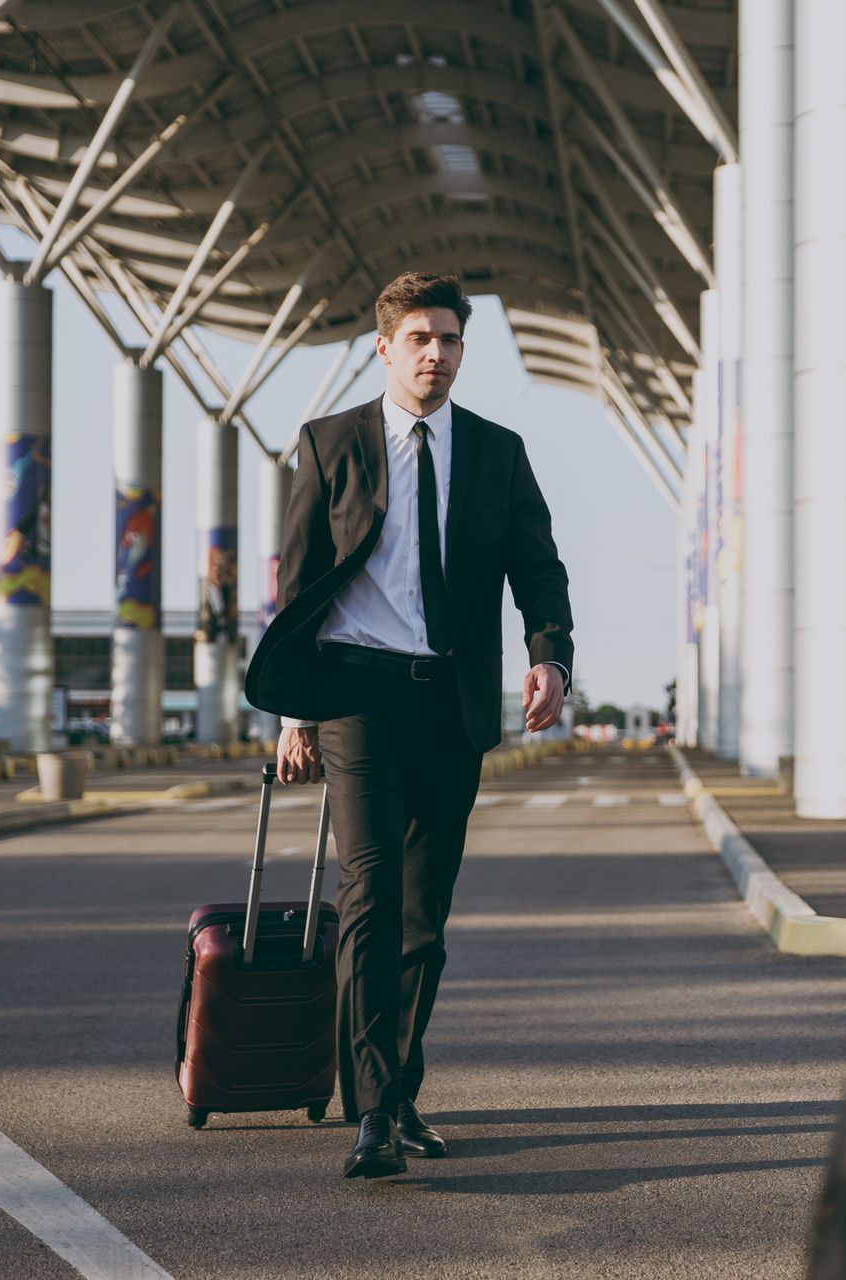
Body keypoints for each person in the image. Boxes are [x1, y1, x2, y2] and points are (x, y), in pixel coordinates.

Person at [245, 271, 573, 1179]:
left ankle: (401, 1095)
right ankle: (375, 1113)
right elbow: (300, 582)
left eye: (450, 339)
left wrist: (549, 655)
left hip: (452, 698)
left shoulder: (498, 454)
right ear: (385, 348)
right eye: (419, 338)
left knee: (424, 918)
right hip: (356, 696)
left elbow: (539, 568)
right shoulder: (331, 443)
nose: (436, 354)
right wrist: (296, 711)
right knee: (371, 895)